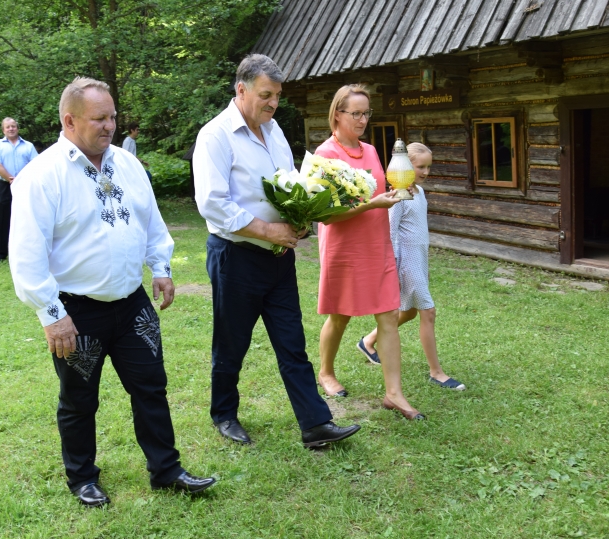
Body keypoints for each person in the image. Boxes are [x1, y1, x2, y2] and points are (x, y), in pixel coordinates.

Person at [8, 77, 215, 507]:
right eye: (99, 118)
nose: (109, 126)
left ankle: (167, 470)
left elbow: (150, 220)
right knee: (79, 399)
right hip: (76, 312)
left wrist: (161, 268)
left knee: (151, 387)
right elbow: (26, 254)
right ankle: (82, 478)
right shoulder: (41, 176)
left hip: (132, 303)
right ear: (69, 121)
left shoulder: (127, 164)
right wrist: (51, 314)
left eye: (113, 117)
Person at [193, 53, 361, 448]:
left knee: (291, 342)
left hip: (279, 257)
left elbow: (290, 184)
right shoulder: (215, 136)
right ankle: (224, 413)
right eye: (266, 95)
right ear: (241, 90)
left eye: (278, 96)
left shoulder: (275, 131)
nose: (273, 103)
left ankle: (316, 425)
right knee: (232, 342)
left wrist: (300, 217)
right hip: (236, 257)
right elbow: (212, 203)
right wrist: (268, 229)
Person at [314, 84, 424, 420]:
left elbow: (376, 189)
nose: (362, 120)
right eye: (356, 113)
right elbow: (326, 215)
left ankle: (394, 394)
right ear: (337, 114)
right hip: (344, 245)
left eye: (366, 113)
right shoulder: (325, 154)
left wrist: (394, 191)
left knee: (388, 314)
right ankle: (326, 373)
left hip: (376, 242)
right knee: (340, 314)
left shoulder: (373, 151)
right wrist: (372, 204)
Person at [361, 143, 466, 391]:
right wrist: (392, 268)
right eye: (420, 167)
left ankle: (367, 341)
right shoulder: (399, 196)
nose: (426, 172)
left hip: (418, 260)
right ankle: (436, 372)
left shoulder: (420, 192)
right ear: (406, 167)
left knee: (408, 312)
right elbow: (390, 234)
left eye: (429, 166)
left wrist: (423, 264)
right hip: (405, 263)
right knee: (428, 312)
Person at [0, 117, 37, 264]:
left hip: (25, 186)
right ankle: (0, 254)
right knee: (2, 219)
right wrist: (11, 179)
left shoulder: (28, 146)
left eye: (13, 126)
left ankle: (25, 252)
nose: (11, 129)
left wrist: (22, 180)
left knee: (26, 218)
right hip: (5, 185)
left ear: (17, 128)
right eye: (8, 127)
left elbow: (36, 165)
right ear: (3, 130)